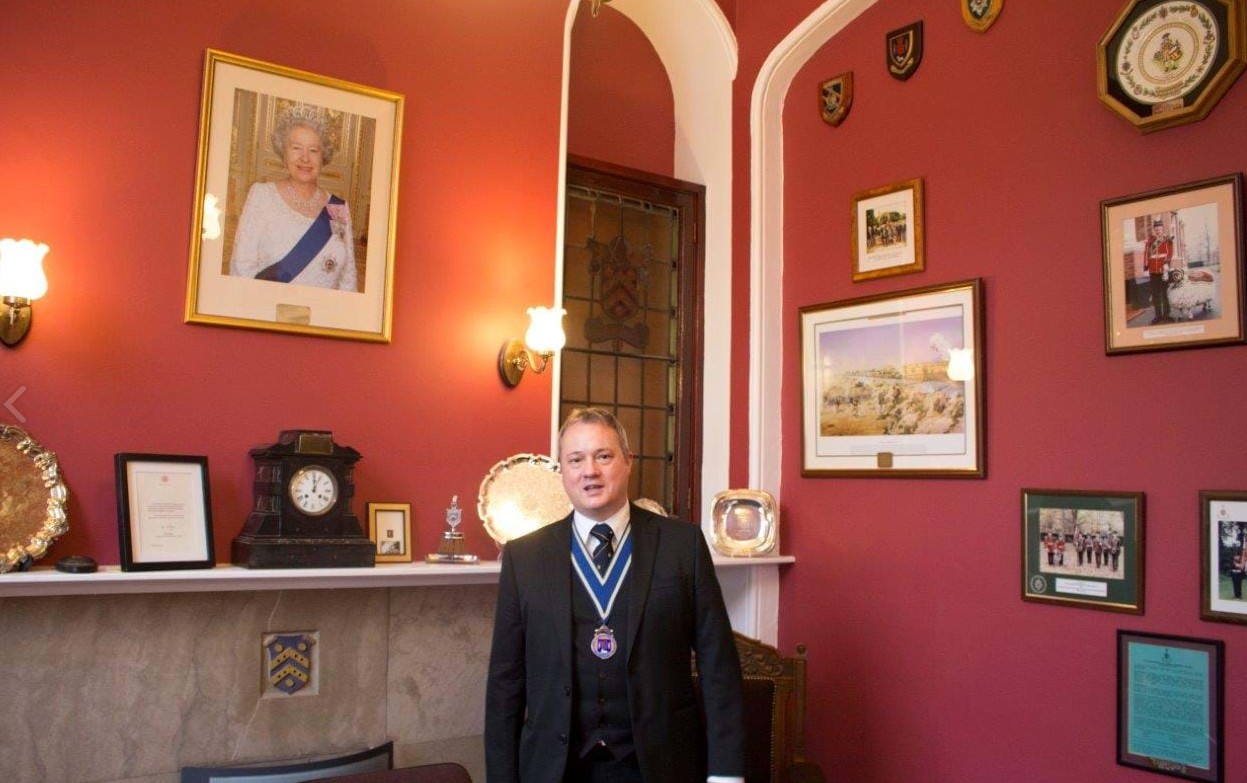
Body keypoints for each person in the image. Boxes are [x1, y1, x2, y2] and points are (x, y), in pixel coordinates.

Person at [486, 407, 745, 783]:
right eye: (576, 460)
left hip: (660, 766)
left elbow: (718, 666)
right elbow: (505, 682)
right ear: (563, 471)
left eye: (603, 456)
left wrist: (726, 773)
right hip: (555, 770)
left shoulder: (682, 545)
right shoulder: (524, 557)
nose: (589, 471)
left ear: (628, 461)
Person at [229, 103, 357, 291]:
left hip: (325, 309)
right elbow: (241, 268)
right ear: (284, 153)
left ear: (323, 157)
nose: (305, 158)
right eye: (296, 148)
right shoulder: (262, 196)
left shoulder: (337, 208)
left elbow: (348, 277)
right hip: (269, 307)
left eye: (313, 150)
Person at [1144, 218, 1173, 324]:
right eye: (1156, 228)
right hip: (1153, 270)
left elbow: (1170, 253)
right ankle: (1158, 315)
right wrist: (1146, 266)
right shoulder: (1150, 241)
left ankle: (1166, 314)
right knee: (1155, 294)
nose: (1157, 230)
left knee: (1165, 293)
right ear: (1154, 229)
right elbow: (1146, 253)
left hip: (1163, 269)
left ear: (1162, 228)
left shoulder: (1167, 239)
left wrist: (1167, 264)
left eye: (1159, 228)